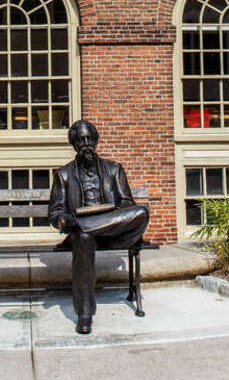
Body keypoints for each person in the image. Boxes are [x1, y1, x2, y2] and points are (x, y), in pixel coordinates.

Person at [49, 119, 149, 334]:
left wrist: (102, 217)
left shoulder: (114, 169)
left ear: (95, 140)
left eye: (89, 139)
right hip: (83, 236)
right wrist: (63, 220)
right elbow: (55, 212)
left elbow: (127, 205)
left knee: (141, 212)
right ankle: (84, 313)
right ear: (74, 144)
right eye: (80, 140)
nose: (86, 144)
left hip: (114, 231)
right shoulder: (63, 174)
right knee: (84, 238)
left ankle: (87, 226)